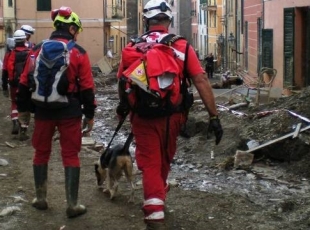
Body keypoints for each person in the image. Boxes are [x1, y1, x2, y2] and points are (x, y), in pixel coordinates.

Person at [116, 0, 223, 229]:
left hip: (141, 116)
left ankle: (156, 198)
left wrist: (123, 108)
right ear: (169, 21)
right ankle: (155, 211)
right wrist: (213, 116)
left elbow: (122, 80)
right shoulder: (181, 46)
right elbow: (200, 80)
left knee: (150, 161)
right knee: (163, 157)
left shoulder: (134, 46)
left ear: (147, 20)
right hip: (173, 116)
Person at [16, 6, 96, 218]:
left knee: (41, 152)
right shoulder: (78, 52)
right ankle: (72, 204)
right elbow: (87, 87)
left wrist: (23, 110)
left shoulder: (36, 49)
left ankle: (40, 198)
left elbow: (24, 82)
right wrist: (90, 115)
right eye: (76, 30)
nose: (77, 34)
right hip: (69, 111)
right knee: (70, 154)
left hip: (42, 109)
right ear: (71, 29)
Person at [6, 30, 30, 138]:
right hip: (26, 83)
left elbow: (10, 68)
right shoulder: (29, 52)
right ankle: (23, 129)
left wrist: (11, 80)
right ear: (25, 39)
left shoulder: (12, 53)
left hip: (15, 83)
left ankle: (15, 121)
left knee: (14, 103)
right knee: (25, 105)